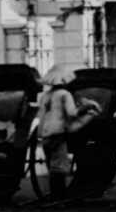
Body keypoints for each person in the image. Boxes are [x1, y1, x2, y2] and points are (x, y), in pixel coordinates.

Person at [37, 65, 100, 200]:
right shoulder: (64, 95)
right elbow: (72, 113)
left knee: (52, 165)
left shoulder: (45, 96)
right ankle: (59, 197)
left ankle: (54, 195)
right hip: (58, 132)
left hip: (45, 133)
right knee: (59, 167)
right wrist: (87, 107)